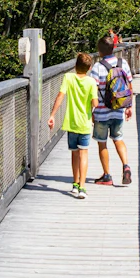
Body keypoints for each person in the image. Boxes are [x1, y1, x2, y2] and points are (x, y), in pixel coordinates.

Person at [46, 53, 97, 199]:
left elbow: (60, 96)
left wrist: (52, 115)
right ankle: (82, 187)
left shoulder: (68, 78)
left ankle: (75, 184)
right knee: (83, 154)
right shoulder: (91, 82)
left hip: (72, 123)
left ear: (75, 66)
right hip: (85, 123)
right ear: (89, 68)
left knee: (74, 154)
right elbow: (95, 103)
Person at [89, 35, 135, 187]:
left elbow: (93, 92)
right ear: (114, 48)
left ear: (99, 51)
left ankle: (107, 175)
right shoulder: (123, 63)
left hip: (101, 113)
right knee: (118, 138)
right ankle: (126, 166)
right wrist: (129, 106)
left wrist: (91, 111)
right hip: (118, 110)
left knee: (102, 144)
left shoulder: (97, 67)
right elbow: (129, 86)